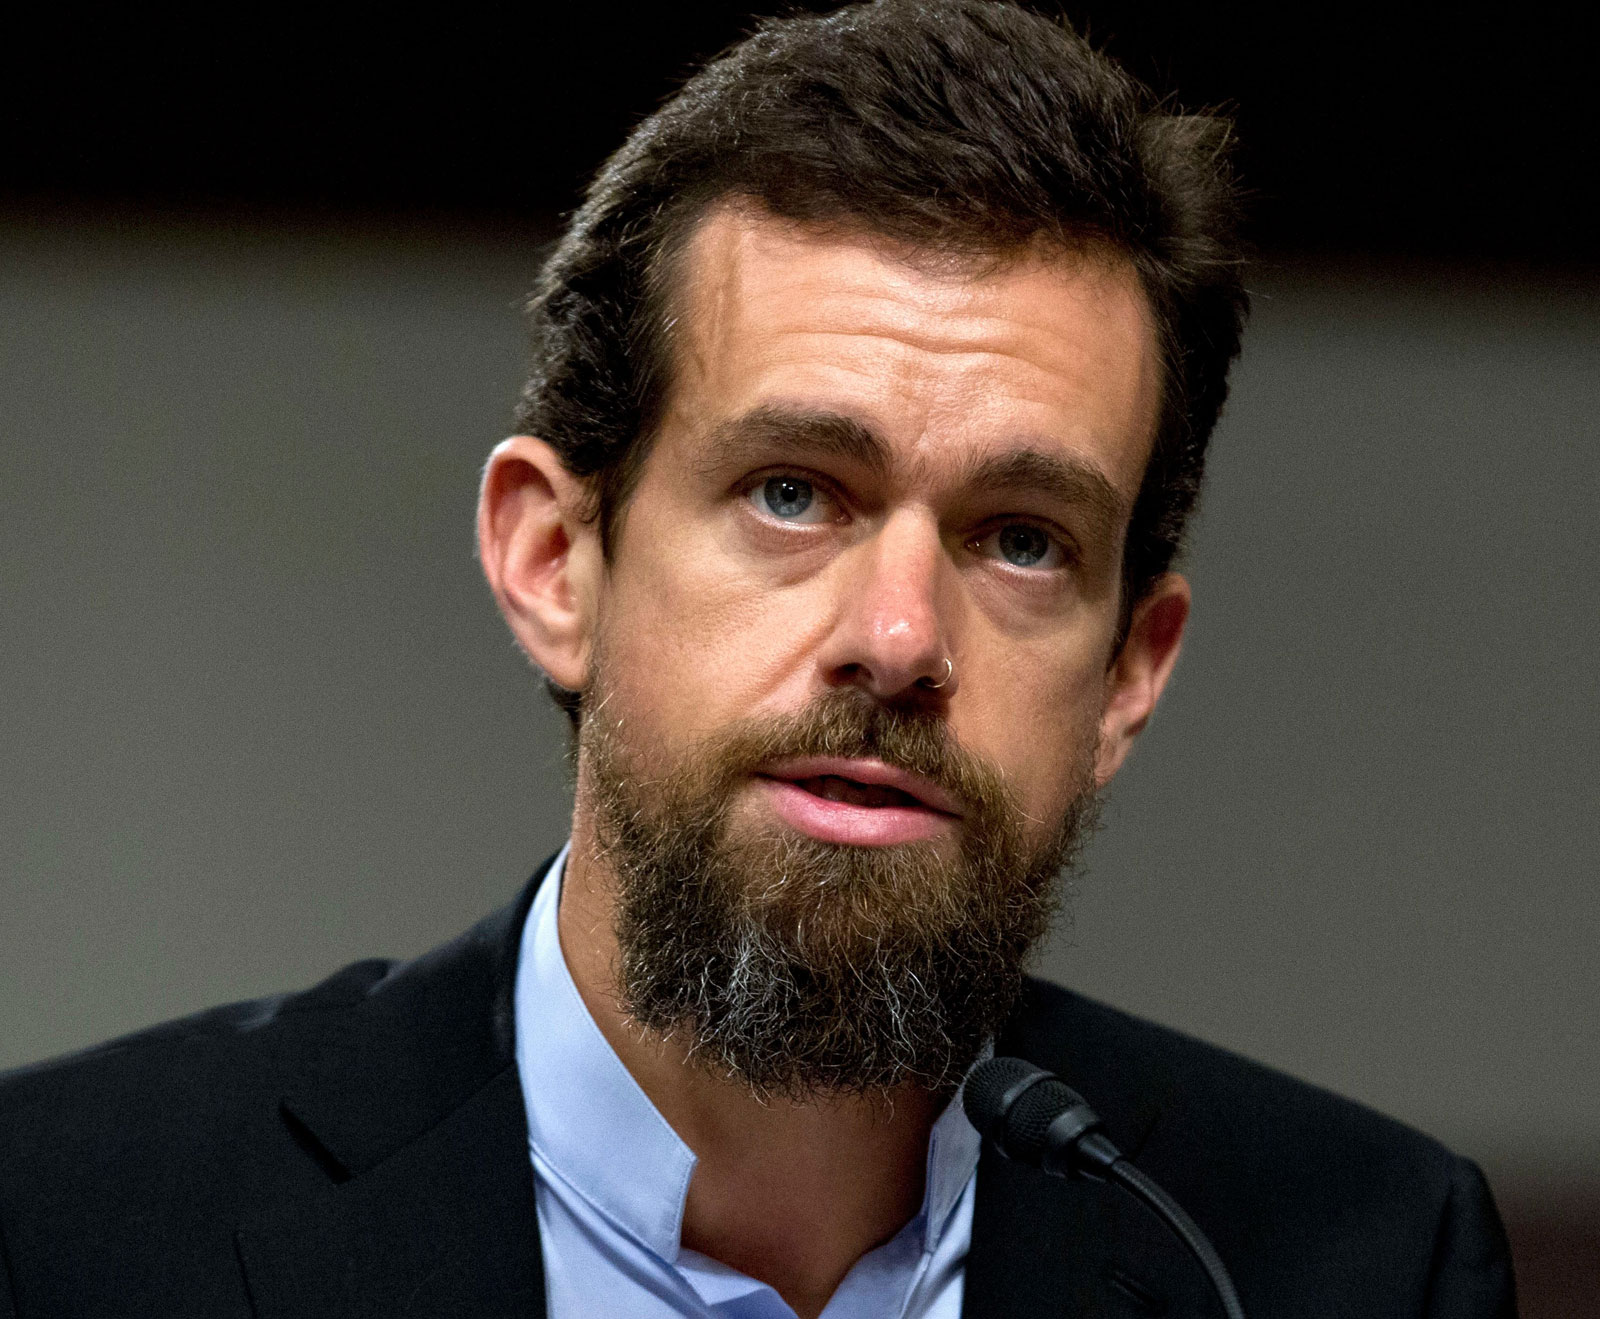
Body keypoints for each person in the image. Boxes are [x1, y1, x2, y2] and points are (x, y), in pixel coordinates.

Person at [0, 2, 1515, 1315]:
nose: (900, 641)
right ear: (555, 561)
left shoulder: (1355, 1266)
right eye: (793, 493)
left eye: (1021, 539)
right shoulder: (64, 1228)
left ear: (1129, 670)